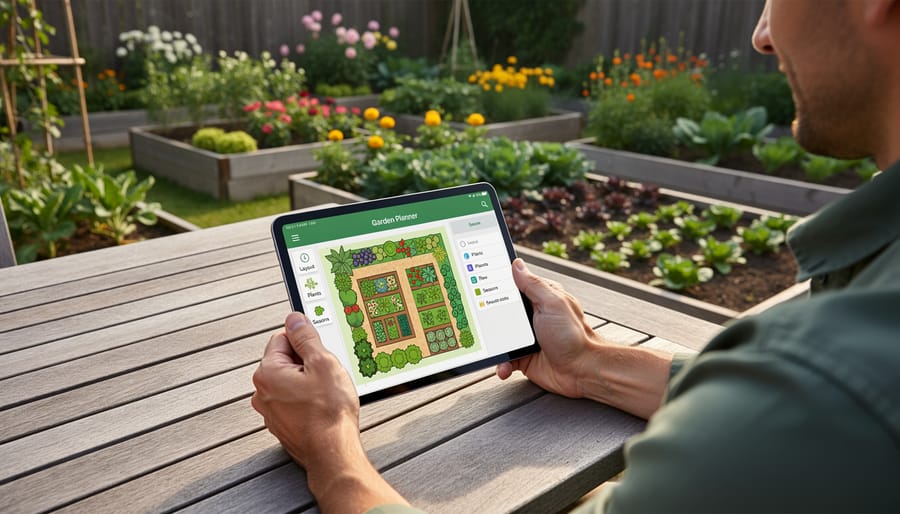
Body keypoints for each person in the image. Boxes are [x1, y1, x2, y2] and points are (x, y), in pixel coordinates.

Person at [252, 0, 900, 511]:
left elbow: (801, 406)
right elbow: (776, 415)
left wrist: (331, 453)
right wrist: (589, 362)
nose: (762, 32)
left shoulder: (837, 379)